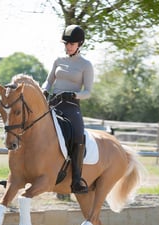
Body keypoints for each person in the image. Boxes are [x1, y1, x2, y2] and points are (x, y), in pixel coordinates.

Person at [42, 25, 94, 194]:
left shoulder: (86, 65)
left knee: (78, 134)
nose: (68, 46)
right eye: (66, 43)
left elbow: (88, 92)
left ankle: (77, 180)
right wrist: (44, 90)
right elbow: (49, 81)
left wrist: (73, 95)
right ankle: (19, 171)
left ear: (80, 44)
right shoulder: (58, 60)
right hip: (53, 102)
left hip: (71, 106)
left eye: (72, 43)